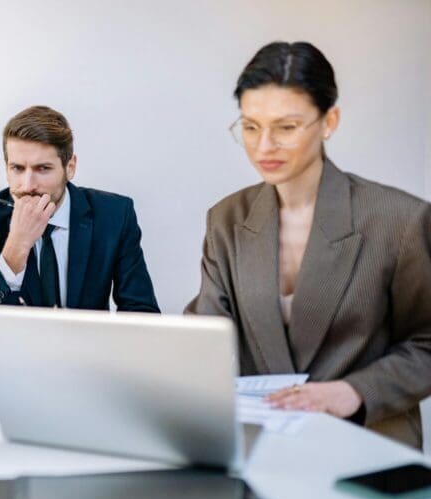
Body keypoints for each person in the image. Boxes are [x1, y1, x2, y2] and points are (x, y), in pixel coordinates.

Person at [185, 41, 431, 448]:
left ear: (329, 121)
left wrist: (353, 392)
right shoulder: (226, 219)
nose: (264, 146)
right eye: (249, 126)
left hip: (368, 448)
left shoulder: (400, 220)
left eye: (286, 127)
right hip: (261, 448)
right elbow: (207, 334)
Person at [0, 106, 159, 313]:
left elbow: (141, 312)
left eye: (43, 168)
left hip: (88, 343)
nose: (28, 184)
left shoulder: (114, 215)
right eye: (18, 168)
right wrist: (16, 245)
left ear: (70, 167)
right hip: (18, 345)